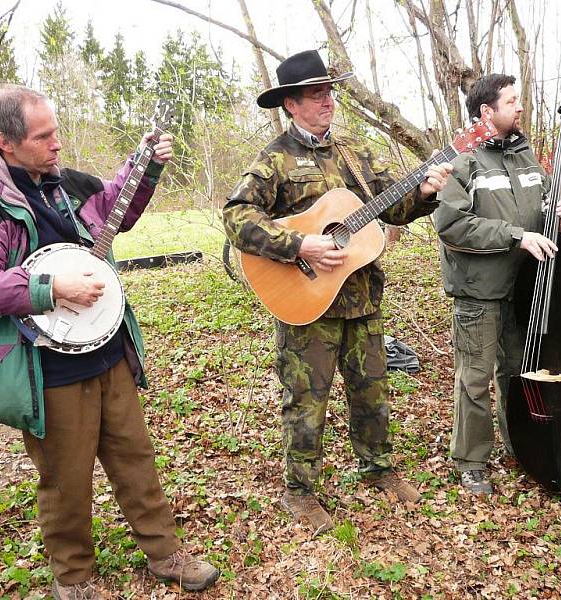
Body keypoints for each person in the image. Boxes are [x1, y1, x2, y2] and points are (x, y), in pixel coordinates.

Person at [0, 84, 218, 599]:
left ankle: (164, 552)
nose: (57, 144)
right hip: (47, 367)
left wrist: (145, 166)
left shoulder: (66, 185)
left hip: (108, 350)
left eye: (56, 132)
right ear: (6, 142)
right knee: (66, 480)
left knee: (135, 455)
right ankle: (74, 577)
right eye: (44, 137)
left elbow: (116, 208)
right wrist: (45, 289)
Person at [223, 50, 452, 533]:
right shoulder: (273, 160)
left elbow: (394, 207)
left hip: (362, 296)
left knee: (373, 390)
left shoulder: (356, 153)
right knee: (307, 399)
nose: (327, 100)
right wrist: (300, 244)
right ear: (291, 104)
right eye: (315, 93)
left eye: (329, 91)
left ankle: (378, 467)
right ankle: (300, 492)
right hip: (307, 305)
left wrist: (427, 191)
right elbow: (237, 219)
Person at [433, 74, 561, 495]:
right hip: (479, 291)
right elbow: (452, 225)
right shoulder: (465, 162)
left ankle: (519, 444)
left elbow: (546, 212)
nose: (520, 107)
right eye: (511, 101)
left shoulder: (527, 158)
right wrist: (515, 235)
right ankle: (472, 462)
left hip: (526, 288)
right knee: (475, 377)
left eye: (519, 100)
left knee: (518, 371)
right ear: (486, 112)